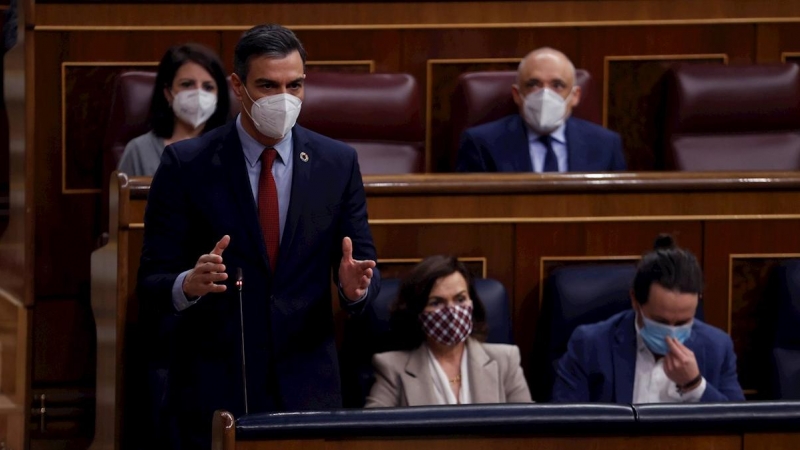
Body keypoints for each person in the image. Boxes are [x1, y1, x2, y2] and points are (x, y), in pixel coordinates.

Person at [137, 24, 381, 449]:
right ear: (238, 86)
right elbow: (150, 283)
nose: (283, 98)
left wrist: (354, 289)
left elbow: (364, 272)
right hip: (214, 390)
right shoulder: (187, 164)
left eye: (295, 85)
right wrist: (186, 285)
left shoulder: (337, 163)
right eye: (268, 84)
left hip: (307, 390)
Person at [552, 235, 744, 403]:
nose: (671, 332)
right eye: (660, 321)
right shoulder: (590, 344)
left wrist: (695, 385)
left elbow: (739, 427)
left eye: (682, 322)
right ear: (635, 301)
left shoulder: (717, 348)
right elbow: (565, 425)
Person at [365, 255, 531, 407]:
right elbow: (373, 432)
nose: (452, 312)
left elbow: (529, 430)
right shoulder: (392, 368)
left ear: (472, 302)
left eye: (460, 299)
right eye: (436, 302)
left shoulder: (505, 361)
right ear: (416, 311)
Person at [456, 47, 626, 173]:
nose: (545, 94)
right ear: (517, 94)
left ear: (575, 96)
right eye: (533, 84)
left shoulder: (605, 145)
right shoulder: (481, 144)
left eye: (557, 85)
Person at [117, 43, 231, 176]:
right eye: (187, 84)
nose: (198, 94)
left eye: (208, 87)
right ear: (168, 93)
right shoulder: (139, 151)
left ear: (219, 95)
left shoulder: (233, 149)